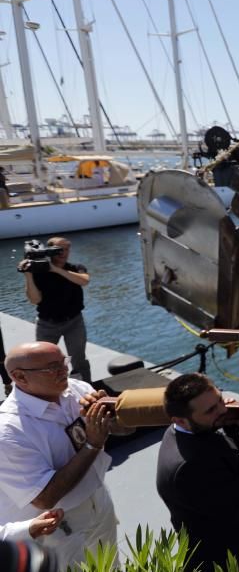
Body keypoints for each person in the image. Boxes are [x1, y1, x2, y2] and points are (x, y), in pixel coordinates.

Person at [0, 341, 127, 570]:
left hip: (98, 503)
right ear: (19, 377)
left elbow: (125, 430)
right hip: (57, 529)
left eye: (63, 362)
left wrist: (112, 415)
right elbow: (45, 497)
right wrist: (92, 444)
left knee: (111, 567)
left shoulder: (77, 389)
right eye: (52, 367)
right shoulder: (8, 431)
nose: (64, 370)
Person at [156, 373, 239, 571]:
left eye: (220, 399)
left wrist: (234, 429)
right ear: (181, 420)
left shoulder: (200, 429)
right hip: (228, 561)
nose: (223, 409)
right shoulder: (189, 468)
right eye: (211, 409)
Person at [21, 237, 91, 383]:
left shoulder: (75, 268)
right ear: (49, 251)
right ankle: (48, 387)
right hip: (47, 324)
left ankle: (85, 386)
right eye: (58, 250)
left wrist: (56, 270)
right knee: (43, 358)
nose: (63, 253)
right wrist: (28, 275)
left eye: (66, 249)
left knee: (77, 358)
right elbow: (35, 300)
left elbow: (84, 280)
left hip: (74, 321)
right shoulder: (39, 272)